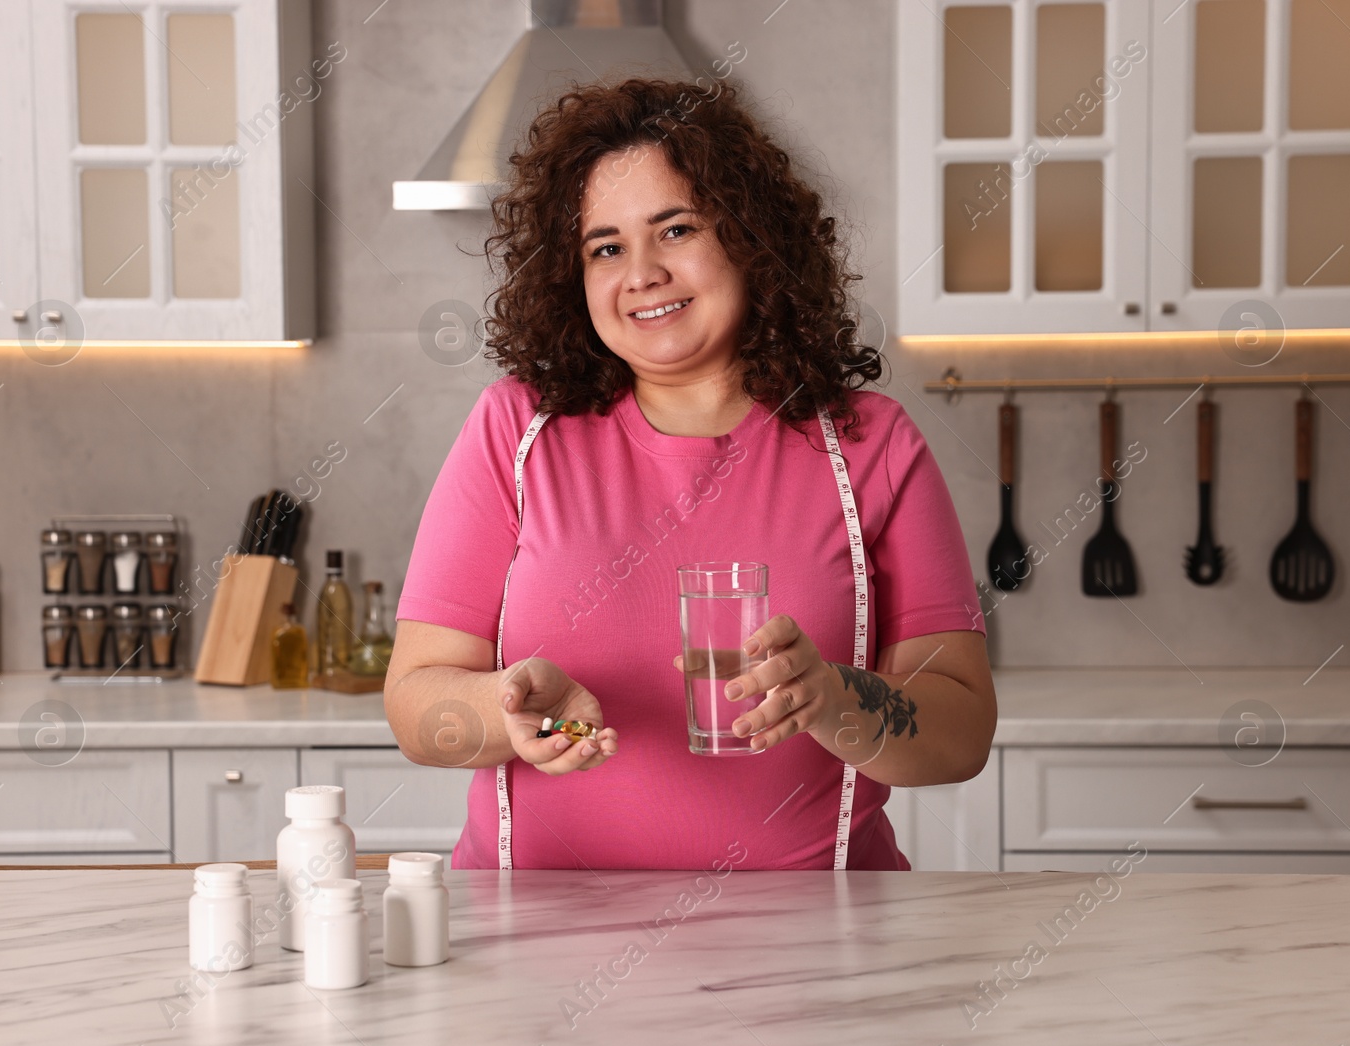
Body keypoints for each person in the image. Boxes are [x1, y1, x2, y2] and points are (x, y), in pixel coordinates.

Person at [384, 78, 995, 870]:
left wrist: (832, 695)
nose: (640, 272)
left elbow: (961, 735)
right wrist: (513, 714)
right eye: (605, 246)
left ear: (748, 235)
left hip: (818, 950)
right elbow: (414, 704)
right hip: (535, 948)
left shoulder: (867, 444)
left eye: (674, 230)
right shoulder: (517, 431)